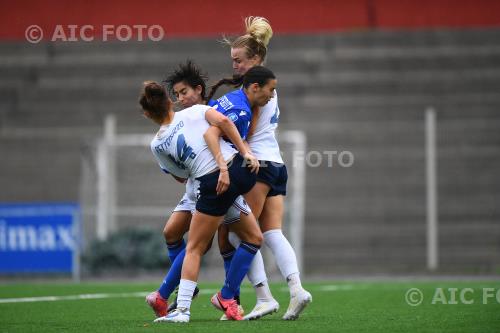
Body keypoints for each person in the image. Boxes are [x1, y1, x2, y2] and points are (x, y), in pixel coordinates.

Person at [146, 61, 276, 320]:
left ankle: (181, 302)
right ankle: (225, 296)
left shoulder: (196, 114)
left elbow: (180, 174)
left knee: (200, 245)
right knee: (178, 234)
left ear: (198, 90)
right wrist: (242, 156)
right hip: (217, 179)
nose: (182, 98)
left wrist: (226, 165)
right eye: (177, 95)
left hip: (212, 181)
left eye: (184, 92)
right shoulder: (196, 114)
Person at [209, 16, 312, 320]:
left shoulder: (254, 91)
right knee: (272, 232)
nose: (235, 66)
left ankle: (264, 297)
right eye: (233, 61)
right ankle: (296, 290)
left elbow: (247, 134)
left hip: (259, 165)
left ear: (255, 59)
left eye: (239, 61)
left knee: (246, 235)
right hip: (277, 165)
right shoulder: (268, 85)